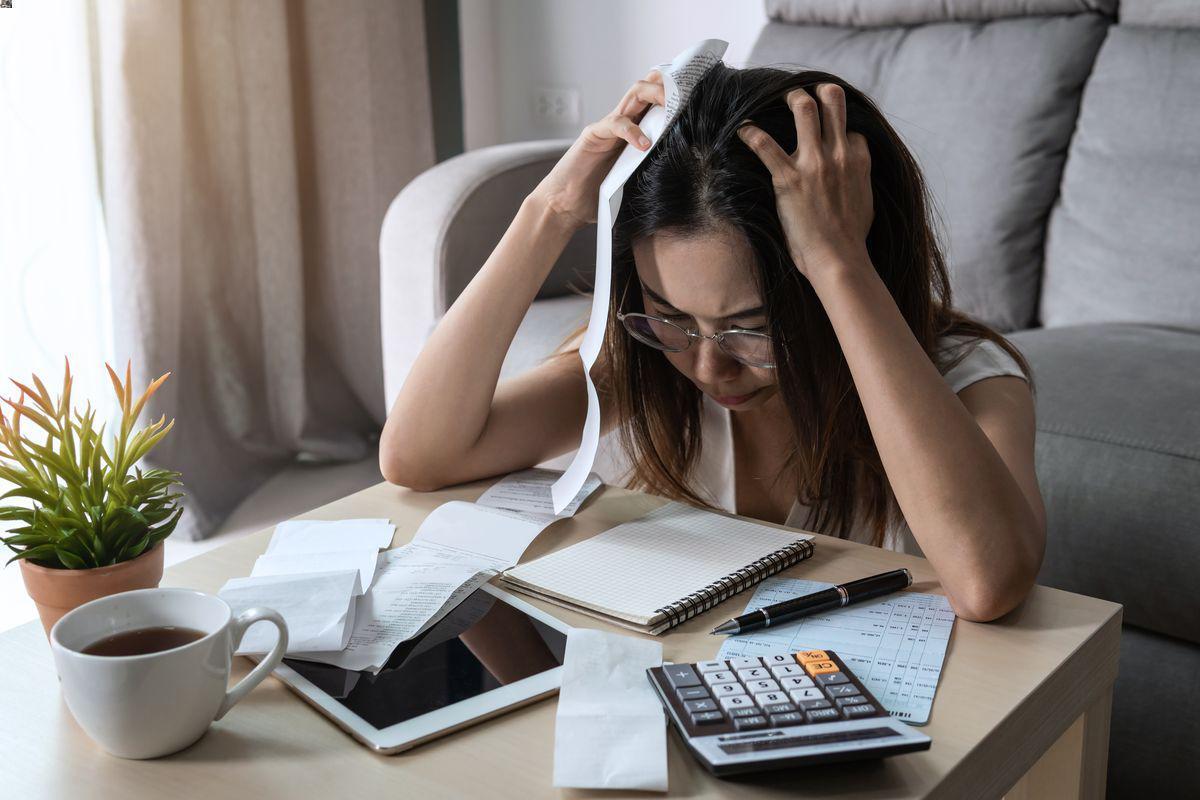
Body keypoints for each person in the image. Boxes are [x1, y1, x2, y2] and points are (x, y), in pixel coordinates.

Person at [380, 64, 1046, 623]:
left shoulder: (971, 378)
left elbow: (986, 583)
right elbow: (418, 457)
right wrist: (548, 212)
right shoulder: (644, 364)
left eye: (751, 328)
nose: (706, 366)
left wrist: (840, 262)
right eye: (671, 317)